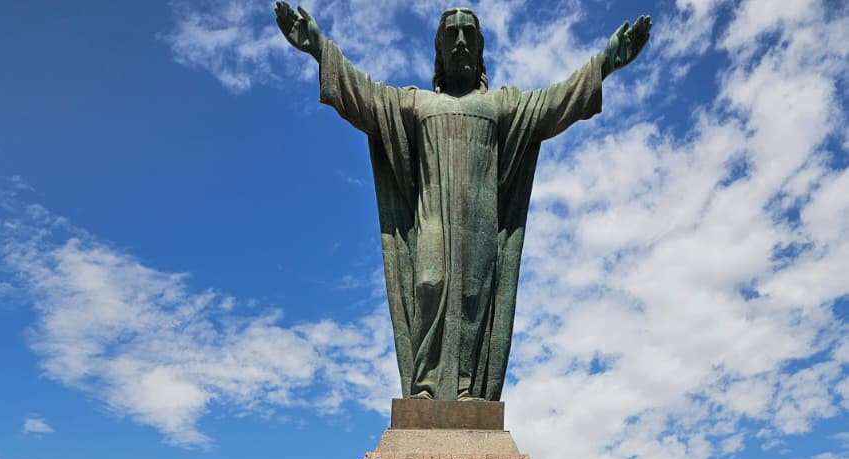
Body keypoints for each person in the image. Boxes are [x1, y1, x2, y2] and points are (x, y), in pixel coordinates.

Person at [275, 5, 651, 402]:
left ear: (480, 49)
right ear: (439, 50)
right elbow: (364, 94)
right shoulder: (416, 104)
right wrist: (319, 47)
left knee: (473, 300)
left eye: (468, 34)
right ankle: (424, 387)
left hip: (480, 226)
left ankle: (467, 389)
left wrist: (604, 64)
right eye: (451, 34)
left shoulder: (500, 106)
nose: (460, 42)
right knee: (429, 284)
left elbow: (555, 102)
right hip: (432, 220)